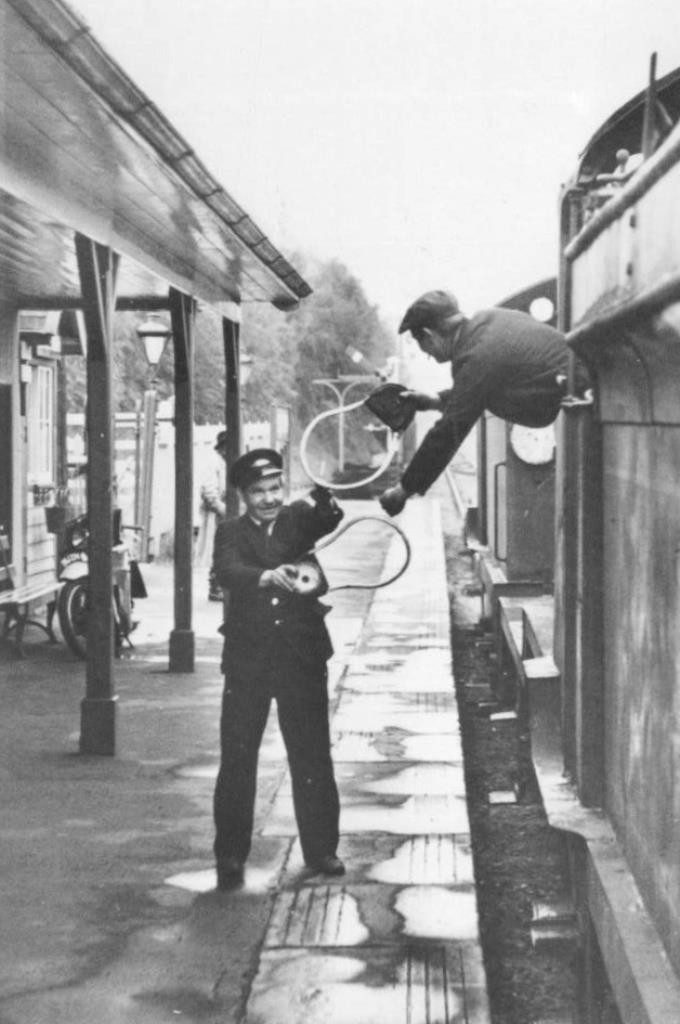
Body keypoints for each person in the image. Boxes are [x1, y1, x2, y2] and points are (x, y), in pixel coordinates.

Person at [211, 448, 345, 888]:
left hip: (300, 657)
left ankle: (322, 849)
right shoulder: (229, 532)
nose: (268, 498)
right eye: (258, 492)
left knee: (310, 753)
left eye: (274, 489)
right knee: (237, 757)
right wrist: (265, 577)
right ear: (243, 495)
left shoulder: (296, 519)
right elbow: (226, 571)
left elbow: (328, 517)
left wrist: (325, 496)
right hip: (248, 661)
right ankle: (231, 855)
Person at [380, 289, 585, 516]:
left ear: (429, 335)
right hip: (581, 388)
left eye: (424, 347)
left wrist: (404, 490)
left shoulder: (475, 355)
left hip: (585, 400)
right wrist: (434, 401)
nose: (427, 355)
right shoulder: (490, 321)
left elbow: (449, 431)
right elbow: (477, 390)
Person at [197, 430, 228, 601]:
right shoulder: (213, 462)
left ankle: (221, 585)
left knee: (225, 549)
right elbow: (209, 491)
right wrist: (222, 509)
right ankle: (215, 587)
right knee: (218, 550)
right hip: (216, 514)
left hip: (225, 511)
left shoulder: (225, 462)